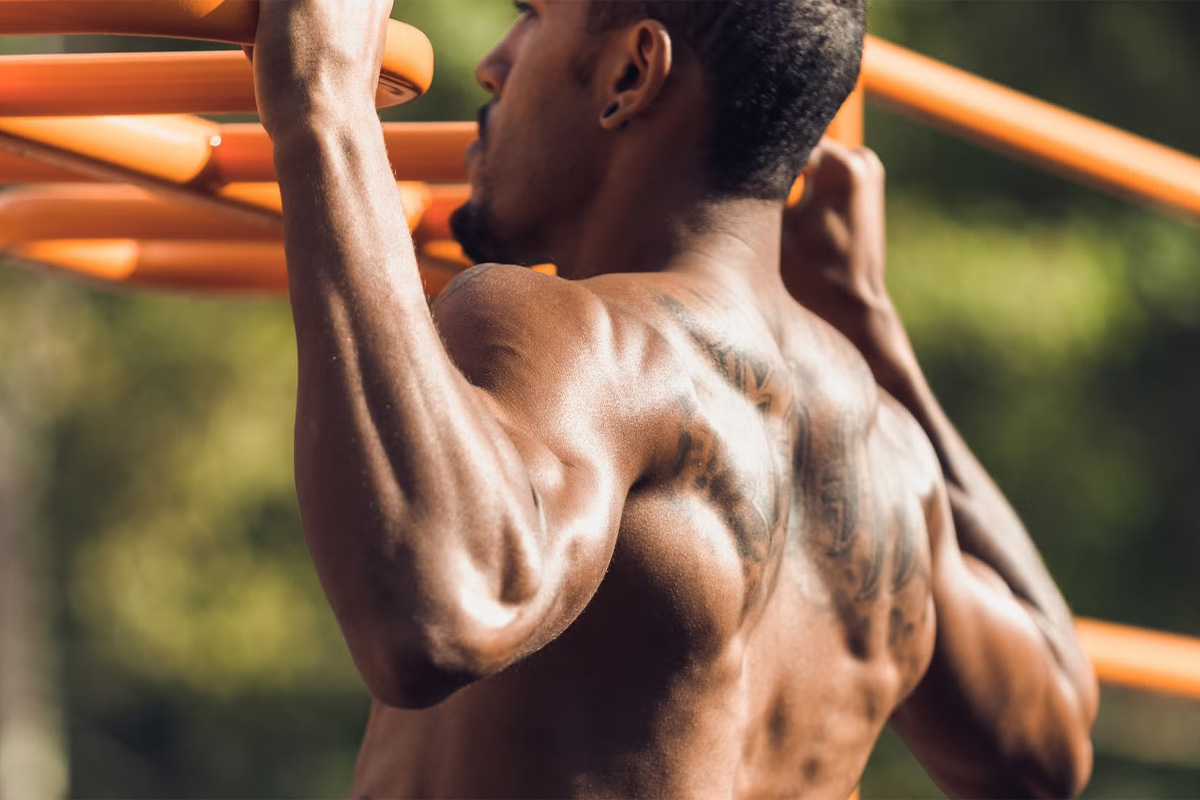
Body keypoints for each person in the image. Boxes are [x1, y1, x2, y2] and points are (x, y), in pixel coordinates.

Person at [248, 0, 1098, 796]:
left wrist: (324, 106)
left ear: (631, 75)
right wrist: (875, 330)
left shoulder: (576, 338)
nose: (491, 65)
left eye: (531, 17)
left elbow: (436, 610)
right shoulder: (893, 465)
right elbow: (1054, 733)